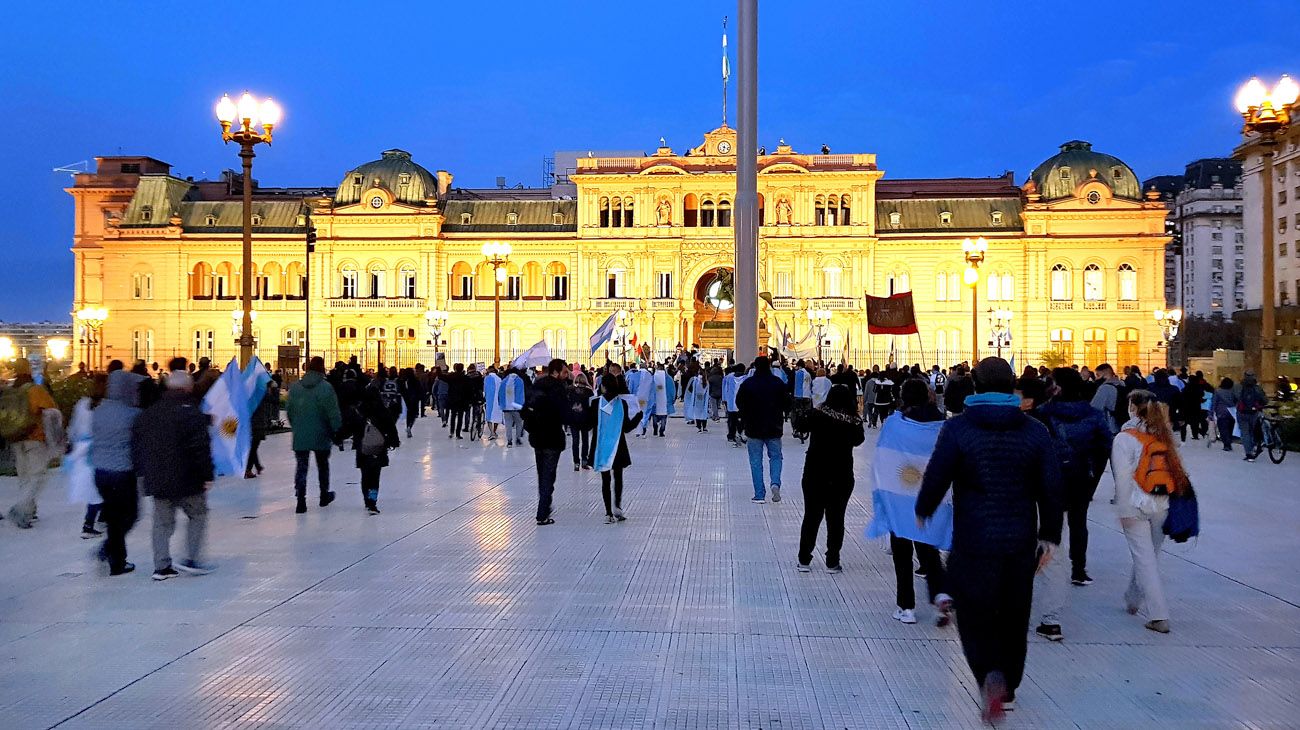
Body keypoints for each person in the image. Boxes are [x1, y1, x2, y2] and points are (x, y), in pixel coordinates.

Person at [916, 357, 1063, 723]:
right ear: (1011, 385)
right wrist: (1050, 537)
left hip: (973, 539)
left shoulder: (959, 430)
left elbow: (938, 474)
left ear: (975, 387)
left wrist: (923, 507)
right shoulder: (1034, 431)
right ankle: (1009, 686)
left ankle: (987, 675)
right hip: (1018, 540)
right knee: (1014, 614)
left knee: (975, 614)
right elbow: (1051, 487)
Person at [1030, 368, 1113, 642]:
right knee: (1079, 521)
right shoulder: (1092, 414)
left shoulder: (1043, 413)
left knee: (1046, 533)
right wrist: (1092, 473)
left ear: (1058, 388)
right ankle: (1079, 568)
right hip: (1080, 478)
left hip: (1047, 481)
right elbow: (1104, 446)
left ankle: (1036, 570)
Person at [866, 378, 951, 626]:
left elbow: (882, 456)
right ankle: (941, 594)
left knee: (902, 554)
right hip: (930, 496)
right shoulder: (941, 424)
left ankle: (906, 607)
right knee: (929, 550)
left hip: (899, 498)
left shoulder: (894, 423)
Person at [1111, 390, 1189, 634]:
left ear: (1132, 408)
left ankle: (1159, 615)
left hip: (1135, 504)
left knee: (1144, 558)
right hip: (1162, 503)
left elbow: (1122, 476)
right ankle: (1133, 598)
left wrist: (1123, 507)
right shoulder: (1164, 434)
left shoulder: (1124, 438)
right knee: (1149, 556)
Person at [133, 369, 215, 580]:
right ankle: (191, 558)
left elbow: (137, 445)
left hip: (158, 479)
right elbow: (200, 448)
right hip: (188, 478)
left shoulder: (150, 413)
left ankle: (161, 566)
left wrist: (143, 473)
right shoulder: (192, 413)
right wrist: (207, 475)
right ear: (188, 387)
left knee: (161, 522)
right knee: (197, 514)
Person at [792, 384, 865, 573]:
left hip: (815, 472)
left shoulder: (817, 415)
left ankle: (804, 559)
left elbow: (800, 426)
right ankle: (832, 560)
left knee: (811, 516)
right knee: (836, 518)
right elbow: (859, 440)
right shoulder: (853, 421)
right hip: (841, 474)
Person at [89, 369, 145, 575]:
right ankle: (114, 556)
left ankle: (113, 554)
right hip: (122, 471)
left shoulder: (98, 411)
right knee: (130, 515)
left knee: (113, 515)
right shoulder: (132, 414)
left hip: (100, 471)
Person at [3, 358, 60, 528]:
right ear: (29, 369)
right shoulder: (35, 390)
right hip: (34, 438)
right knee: (38, 476)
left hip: (15, 438)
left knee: (24, 476)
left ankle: (30, 510)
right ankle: (21, 510)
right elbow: (52, 411)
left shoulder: (11, 390)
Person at [285, 357, 343, 514]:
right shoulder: (326, 388)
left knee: (301, 466)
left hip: (301, 433)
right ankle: (324, 495)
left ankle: (301, 499)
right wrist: (337, 429)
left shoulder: (296, 388)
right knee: (322, 464)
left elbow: (289, 410)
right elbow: (333, 412)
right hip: (321, 433)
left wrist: (297, 426)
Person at [736, 356, 790, 504]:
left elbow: (739, 402)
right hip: (774, 427)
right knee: (776, 457)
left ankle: (759, 494)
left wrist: (747, 415)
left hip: (753, 427)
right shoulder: (778, 383)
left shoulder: (748, 384)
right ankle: (775, 483)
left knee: (755, 461)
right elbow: (787, 403)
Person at [522, 359, 569, 525]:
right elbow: (564, 413)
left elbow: (524, 410)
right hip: (552, 437)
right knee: (549, 475)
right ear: (555, 372)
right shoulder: (558, 388)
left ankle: (545, 505)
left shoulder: (537, 386)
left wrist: (532, 426)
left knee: (542, 473)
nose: (566, 375)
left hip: (537, 437)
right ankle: (542, 512)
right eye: (564, 372)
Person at [591, 373, 642, 523]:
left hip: (602, 447)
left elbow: (588, 424)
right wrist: (639, 416)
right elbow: (626, 428)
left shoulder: (596, 404)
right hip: (618, 447)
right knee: (618, 478)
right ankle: (617, 507)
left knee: (605, 480)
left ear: (603, 386)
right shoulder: (622, 404)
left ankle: (608, 513)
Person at [65, 374, 106, 540]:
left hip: (81, 448)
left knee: (93, 486)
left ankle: (93, 520)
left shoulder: (82, 403)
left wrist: (71, 442)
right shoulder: (105, 405)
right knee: (99, 487)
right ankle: (91, 523)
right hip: (99, 448)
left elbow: (74, 425)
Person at [354, 385, 400, 514]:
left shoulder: (360, 410)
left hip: (363, 447)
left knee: (365, 475)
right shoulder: (382, 410)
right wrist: (394, 441)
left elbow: (352, 427)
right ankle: (373, 500)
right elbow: (391, 428)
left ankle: (366, 499)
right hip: (378, 448)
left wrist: (338, 437)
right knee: (375, 476)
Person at [245, 379, 276, 479]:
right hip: (258, 422)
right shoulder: (260, 393)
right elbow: (274, 400)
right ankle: (248, 469)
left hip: (252, 422)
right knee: (254, 446)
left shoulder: (250, 393)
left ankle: (257, 466)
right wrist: (272, 388)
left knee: (254, 445)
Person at [1237, 371, 1268, 462]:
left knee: (1245, 433)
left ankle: (1249, 454)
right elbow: (1265, 400)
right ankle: (1254, 446)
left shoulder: (1239, 387)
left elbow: (1235, 398)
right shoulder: (1258, 388)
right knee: (1252, 431)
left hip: (1242, 412)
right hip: (1254, 413)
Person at [567, 372, 596, 470]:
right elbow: (592, 406)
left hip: (574, 419)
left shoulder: (570, 391)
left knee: (575, 441)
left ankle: (576, 462)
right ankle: (584, 460)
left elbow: (568, 404)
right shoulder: (589, 392)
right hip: (585, 419)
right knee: (585, 441)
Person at [1089, 363, 1127, 435]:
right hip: (1122, 425)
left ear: (1105, 374)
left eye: (1098, 375)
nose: (1096, 378)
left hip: (1110, 427)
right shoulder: (1122, 384)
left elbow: (1095, 409)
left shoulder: (1105, 388)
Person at [499, 367, 527, 446]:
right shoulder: (520, 381)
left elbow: (500, 393)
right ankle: (518, 438)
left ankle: (509, 441)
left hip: (506, 407)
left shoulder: (504, 381)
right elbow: (521, 394)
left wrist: (501, 404)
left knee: (508, 424)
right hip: (516, 407)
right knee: (519, 423)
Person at [723, 364, 747, 447]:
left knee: (739, 421)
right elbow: (725, 389)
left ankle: (738, 434)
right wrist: (725, 400)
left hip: (740, 405)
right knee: (732, 421)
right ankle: (733, 435)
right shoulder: (729, 378)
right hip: (732, 404)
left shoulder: (746, 379)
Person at [1211, 377, 1238, 451]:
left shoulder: (1217, 391)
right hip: (1232, 412)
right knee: (1230, 428)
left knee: (1223, 429)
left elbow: (1214, 403)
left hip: (1221, 412)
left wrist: (1211, 412)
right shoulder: (1233, 392)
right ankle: (1229, 440)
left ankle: (1227, 444)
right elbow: (1237, 401)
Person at [649, 363, 676, 437]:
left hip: (655, 402)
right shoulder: (669, 378)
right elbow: (672, 389)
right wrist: (673, 398)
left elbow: (650, 389)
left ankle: (655, 429)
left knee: (654, 415)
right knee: (664, 417)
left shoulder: (653, 378)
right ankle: (662, 431)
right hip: (666, 401)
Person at [398, 368, 424, 439]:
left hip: (407, 399)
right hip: (414, 399)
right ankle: (409, 426)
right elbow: (420, 389)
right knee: (414, 413)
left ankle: (408, 426)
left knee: (409, 413)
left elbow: (401, 389)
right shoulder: (415, 380)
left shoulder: (403, 380)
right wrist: (420, 397)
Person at [483, 365, 503, 441]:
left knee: (489, 417)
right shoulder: (499, 379)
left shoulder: (487, 378)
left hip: (489, 400)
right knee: (496, 416)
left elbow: (485, 389)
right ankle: (494, 431)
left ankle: (492, 433)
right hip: (498, 400)